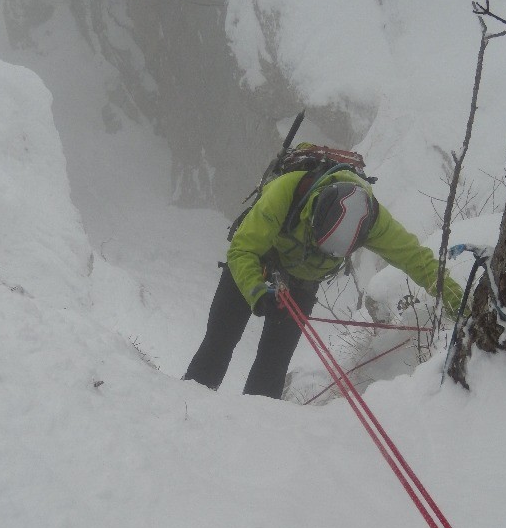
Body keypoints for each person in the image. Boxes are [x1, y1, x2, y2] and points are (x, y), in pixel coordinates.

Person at [184, 164, 464, 399]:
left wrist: (461, 304)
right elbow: (243, 250)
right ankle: (189, 408)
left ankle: (252, 435)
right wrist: (258, 291)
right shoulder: (286, 192)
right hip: (253, 261)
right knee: (218, 343)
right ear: (314, 212)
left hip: (301, 284)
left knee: (272, 366)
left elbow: (418, 261)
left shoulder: (373, 221)